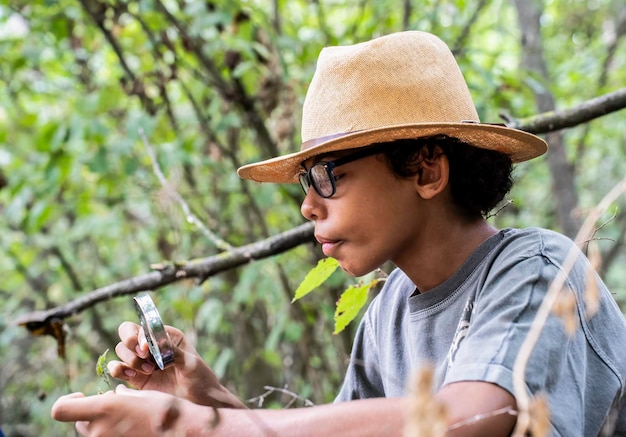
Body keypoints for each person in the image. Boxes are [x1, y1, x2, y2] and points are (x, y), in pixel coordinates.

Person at [51, 30, 626, 436]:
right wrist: (203, 397)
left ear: (426, 169)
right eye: (304, 181)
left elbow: (470, 418)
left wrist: (199, 428)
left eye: (328, 176)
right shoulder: (388, 311)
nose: (306, 206)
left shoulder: (538, 269)